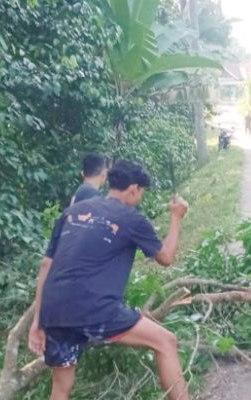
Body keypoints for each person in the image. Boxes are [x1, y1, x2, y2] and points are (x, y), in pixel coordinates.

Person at [28, 160, 191, 400]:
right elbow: (166, 257)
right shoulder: (132, 218)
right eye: (141, 193)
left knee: (61, 388)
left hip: (55, 310)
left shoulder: (72, 212)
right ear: (133, 189)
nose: (140, 198)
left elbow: (46, 265)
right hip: (96, 309)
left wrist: (38, 321)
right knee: (166, 341)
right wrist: (177, 218)